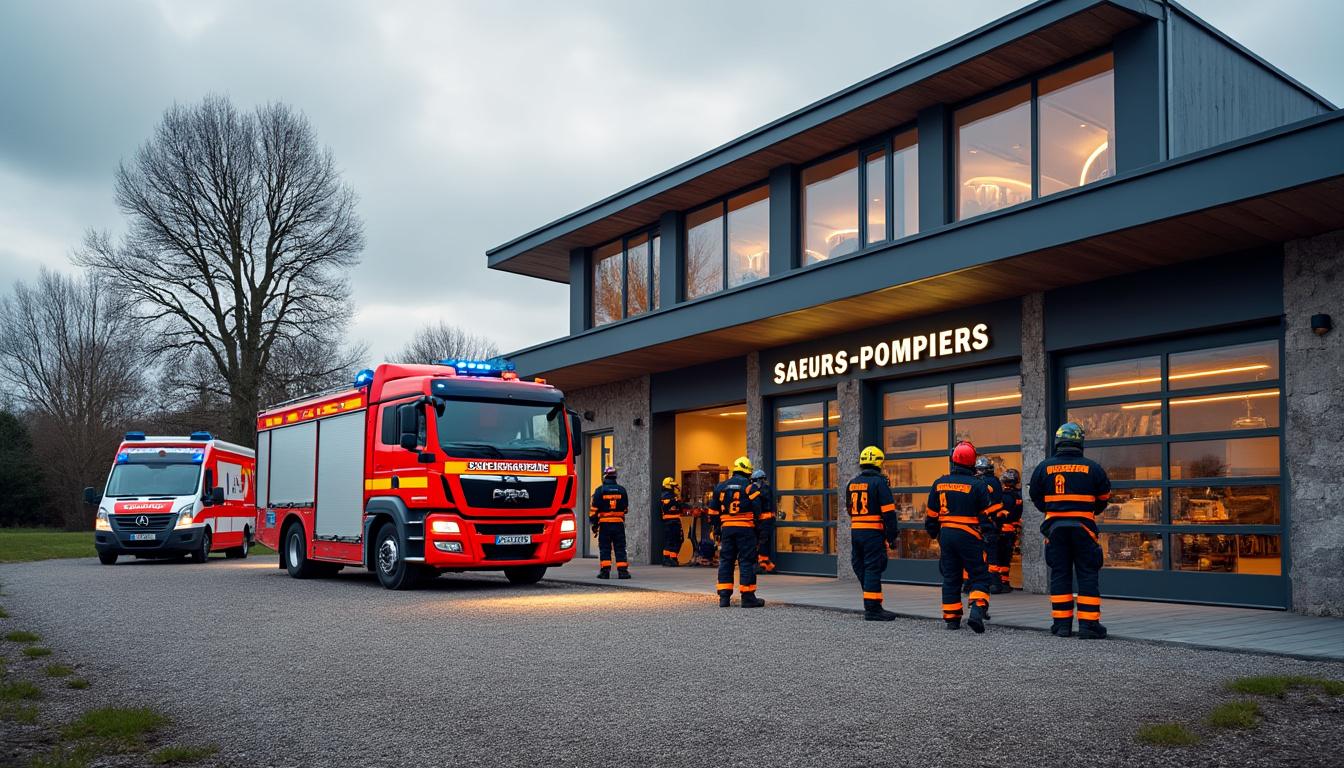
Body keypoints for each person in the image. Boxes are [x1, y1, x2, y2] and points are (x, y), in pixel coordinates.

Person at [1029, 423, 1111, 639]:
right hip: (1084, 530)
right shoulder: (1093, 468)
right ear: (1080, 442)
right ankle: (1088, 626)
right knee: (1087, 574)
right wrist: (1089, 510)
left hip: (1055, 530)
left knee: (1060, 575)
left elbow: (1035, 497)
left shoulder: (1044, 467)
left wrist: (1053, 510)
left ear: (1058, 442)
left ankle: (1061, 625)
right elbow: (1104, 498)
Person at [924, 441, 996, 633]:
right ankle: (977, 612)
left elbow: (931, 515)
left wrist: (934, 533)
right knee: (979, 575)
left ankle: (952, 619)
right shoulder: (978, 485)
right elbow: (985, 516)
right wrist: (989, 535)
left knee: (951, 577)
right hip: (969, 535)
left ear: (953, 459)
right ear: (972, 462)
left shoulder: (939, 483)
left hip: (947, 535)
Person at [845, 446, 899, 621]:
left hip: (856, 532)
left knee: (860, 565)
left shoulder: (852, 483)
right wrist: (892, 537)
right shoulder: (880, 483)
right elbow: (889, 514)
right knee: (872, 568)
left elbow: (849, 510)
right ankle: (873, 609)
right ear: (878, 463)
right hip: (873, 533)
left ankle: (871, 601)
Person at [708, 456, 765, 608]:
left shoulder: (720, 487)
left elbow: (712, 512)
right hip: (746, 530)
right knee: (746, 561)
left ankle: (724, 598)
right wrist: (758, 529)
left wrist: (717, 529)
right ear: (748, 472)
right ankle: (748, 598)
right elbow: (758, 509)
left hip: (727, 530)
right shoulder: (750, 487)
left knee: (726, 561)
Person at [589, 466, 631, 580]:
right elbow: (625, 509)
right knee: (620, 547)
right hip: (618, 524)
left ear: (605, 476)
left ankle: (605, 572)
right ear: (615, 476)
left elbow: (593, 511)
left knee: (605, 548)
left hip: (605, 525)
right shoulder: (622, 490)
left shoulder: (599, 491)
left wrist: (594, 524)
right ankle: (623, 572)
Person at [974, 456, 1007, 593]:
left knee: (989, 556)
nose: (977, 472)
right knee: (990, 555)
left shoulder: (986, 482)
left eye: (980, 469)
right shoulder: (994, 481)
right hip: (990, 523)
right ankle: (993, 583)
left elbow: (983, 501)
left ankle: (995, 583)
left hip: (987, 524)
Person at [994, 468, 1024, 592]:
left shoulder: (998, 496)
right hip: (1009, 532)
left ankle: (997, 583)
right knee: (1005, 559)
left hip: (997, 531)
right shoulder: (1018, 497)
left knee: (996, 558)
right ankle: (1004, 583)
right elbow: (1017, 515)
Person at [751, 468, 777, 574]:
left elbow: (759, 501)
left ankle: (763, 564)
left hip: (765, 520)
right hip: (763, 520)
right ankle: (765, 563)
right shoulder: (764, 489)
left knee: (763, 542)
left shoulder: (764, 489)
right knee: (763, 542)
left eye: (754, 480)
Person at [659, 477, 684, 567]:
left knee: (675, 540)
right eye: (672, 486)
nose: (674, 488)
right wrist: (678, 498)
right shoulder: (667, 496)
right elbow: (675, 505)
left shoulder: (670, 495)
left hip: (673, 521)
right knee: (672, 540)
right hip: (671, 522)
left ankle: (672, 558)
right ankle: (668, 559)